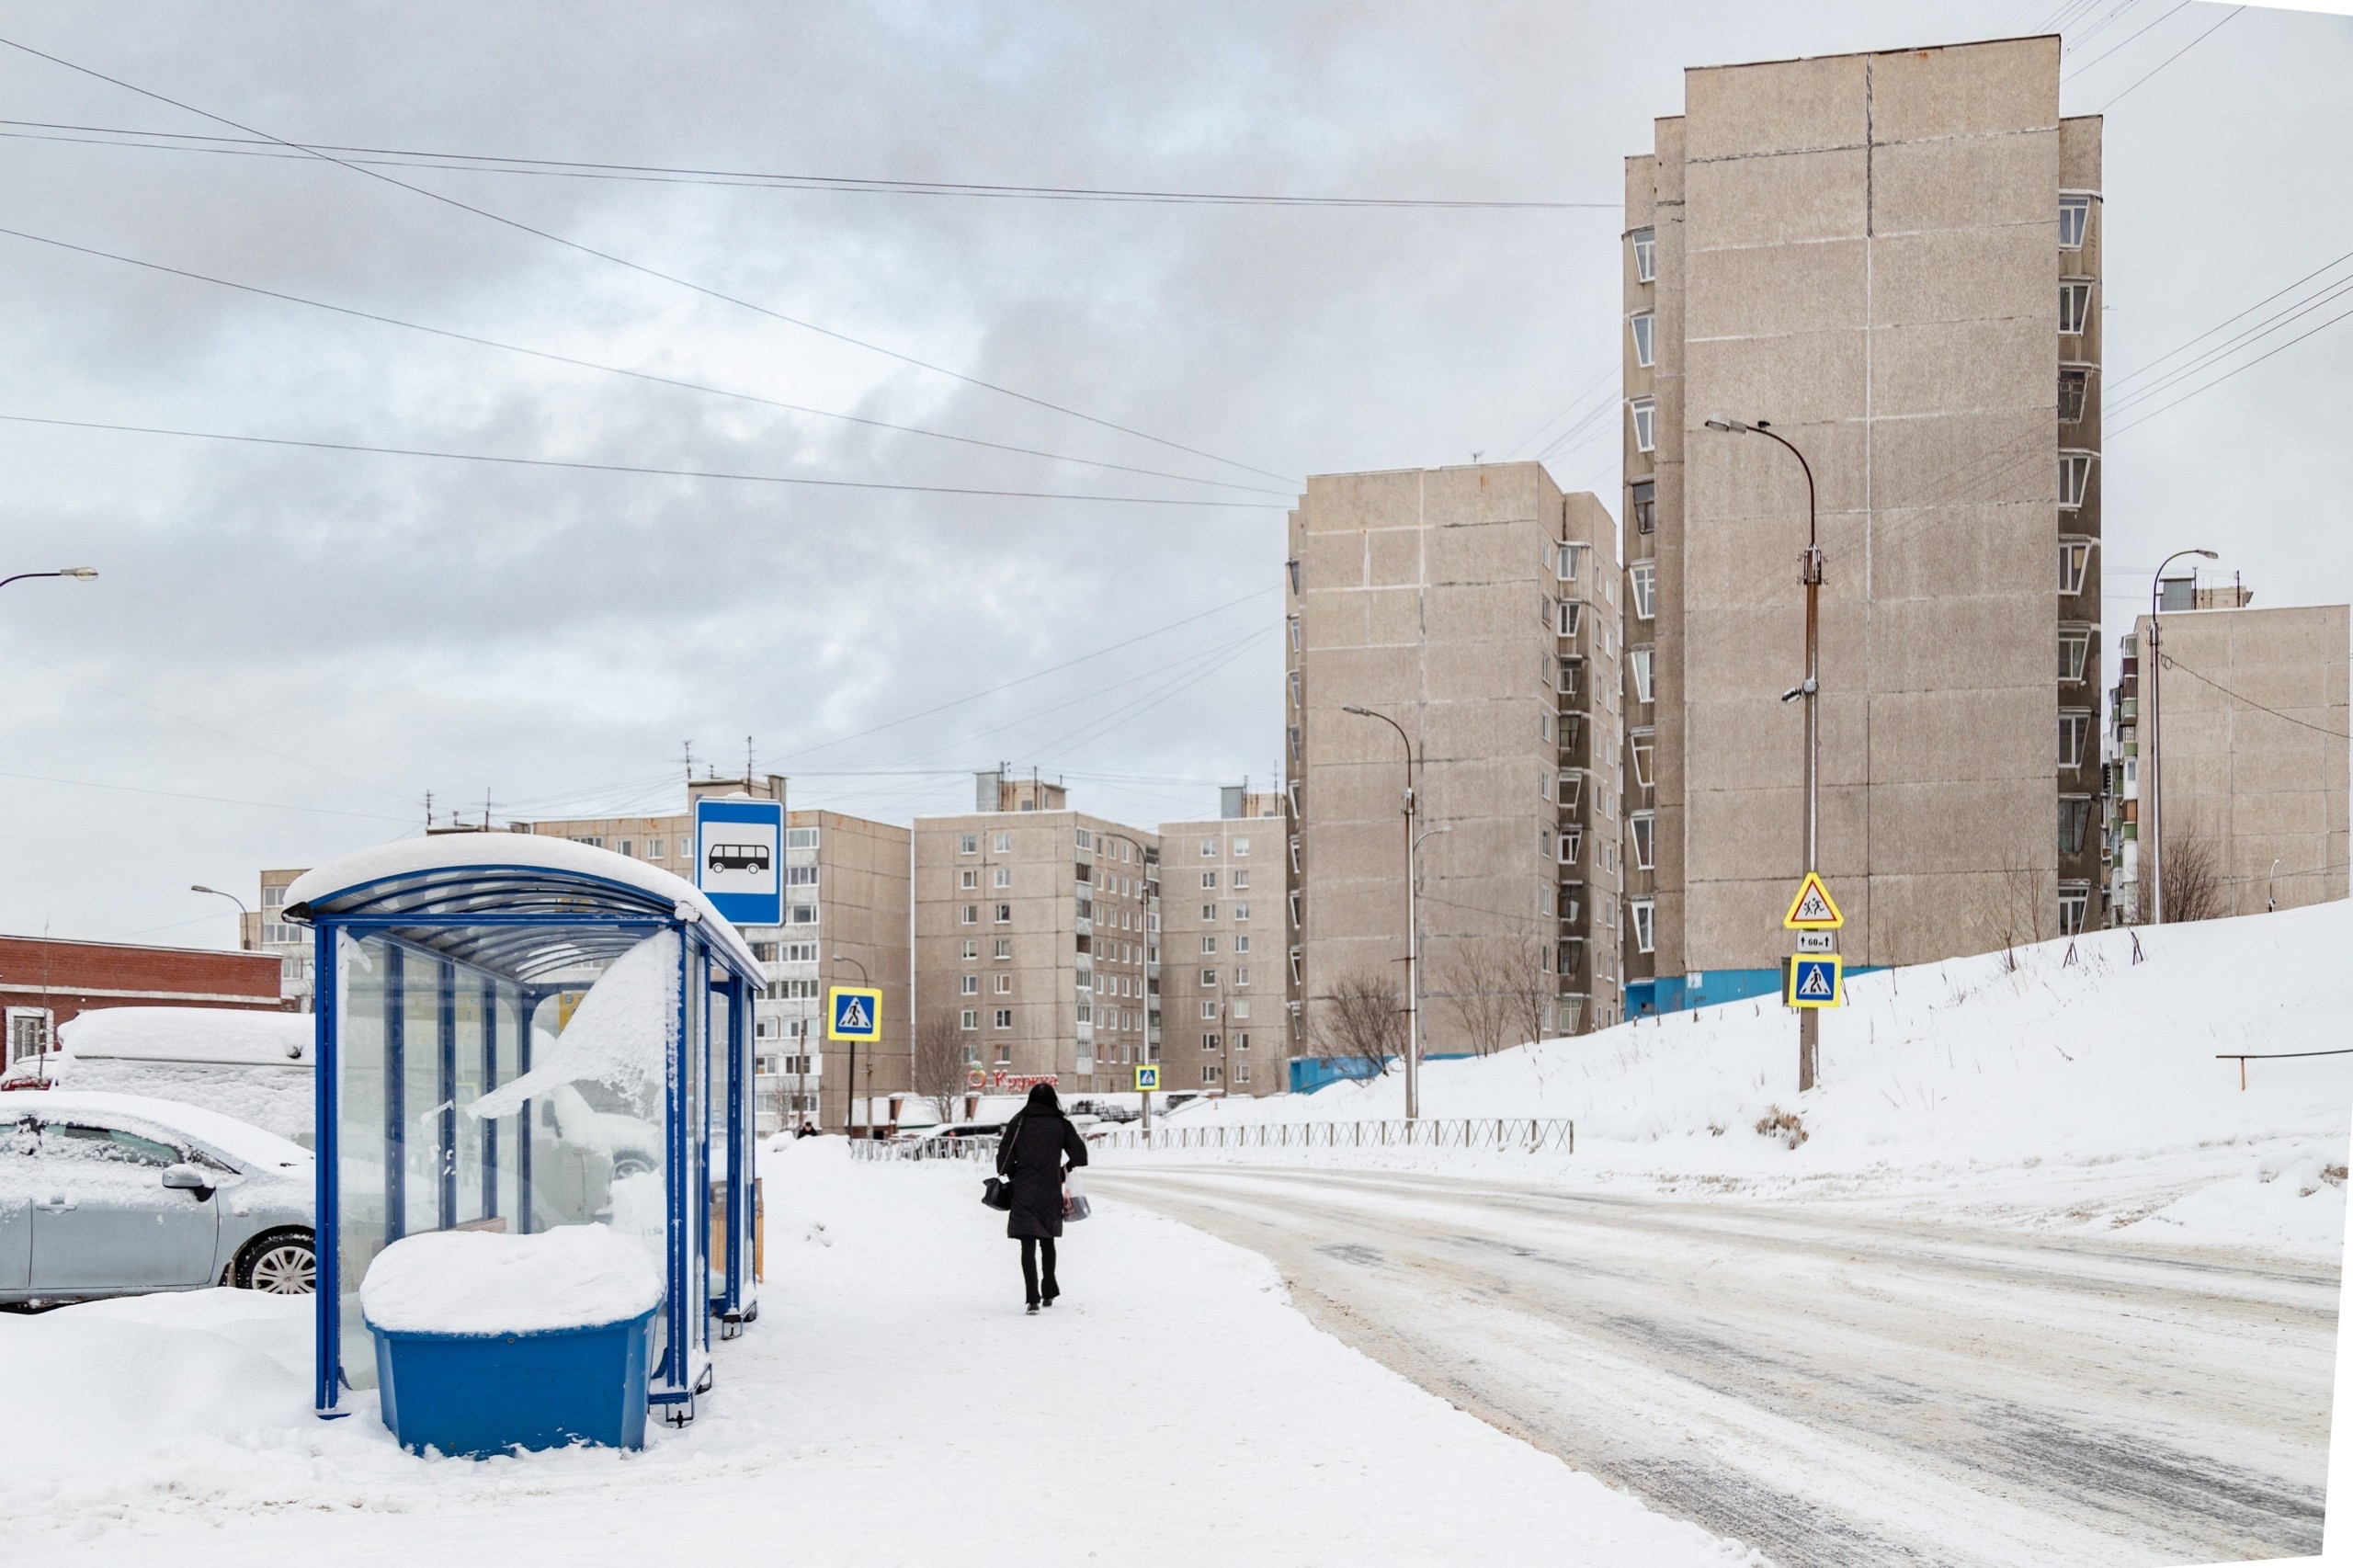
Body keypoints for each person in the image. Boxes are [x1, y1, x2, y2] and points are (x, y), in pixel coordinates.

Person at [995, 1082, 1088, 1313]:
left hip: (1024, 1190)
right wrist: (1063, 1169)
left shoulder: (1019, 1122)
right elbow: (1081, 1155)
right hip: (1050, 1189)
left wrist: (1019, 1174)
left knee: (1027, 1245)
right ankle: (1048, 1292)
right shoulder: (1060, 1123)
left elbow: (1003, 1162)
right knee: (1047, 1241)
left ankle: (1032, 1299)